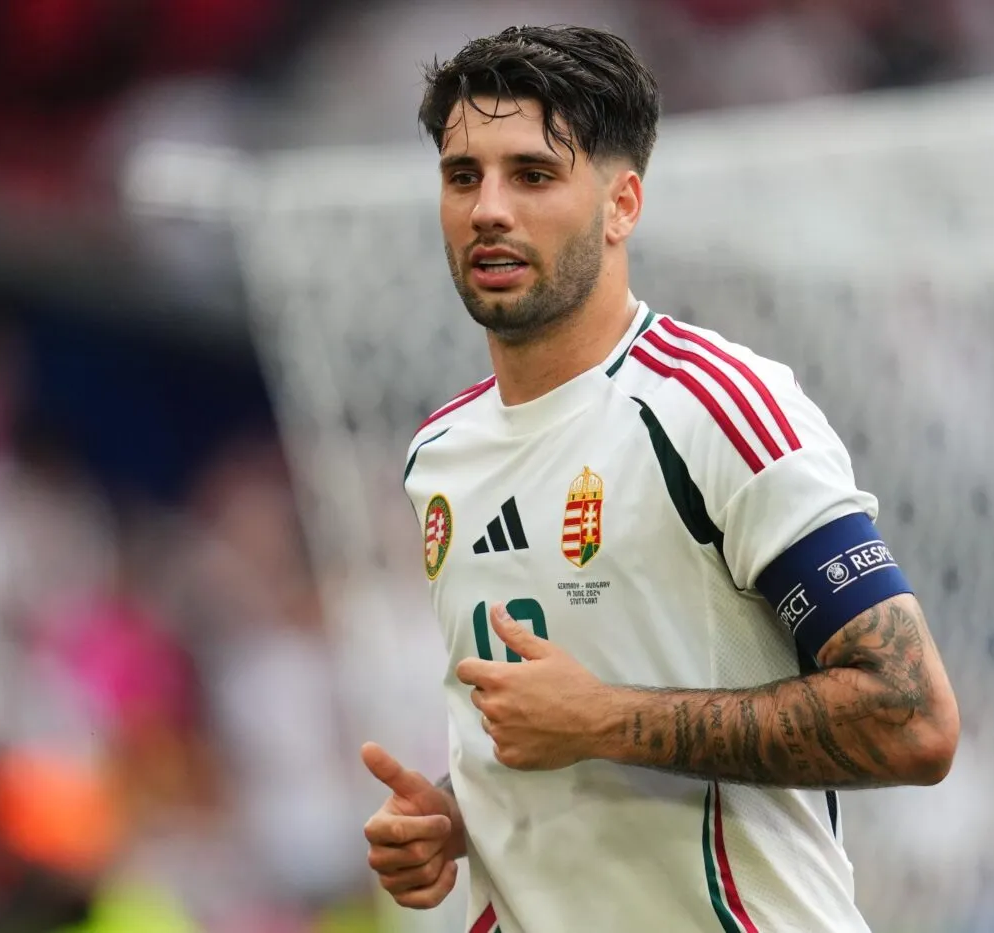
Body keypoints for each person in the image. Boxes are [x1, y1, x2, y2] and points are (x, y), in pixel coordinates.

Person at [361, 24, 961, 933]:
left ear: (622, 204)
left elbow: (912, 717)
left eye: (533, 175)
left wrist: (604, 719)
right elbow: (549, 731)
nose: (488, 209)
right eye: (462, 176)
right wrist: (454, 814)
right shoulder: (439, 453)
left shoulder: (717, 407)